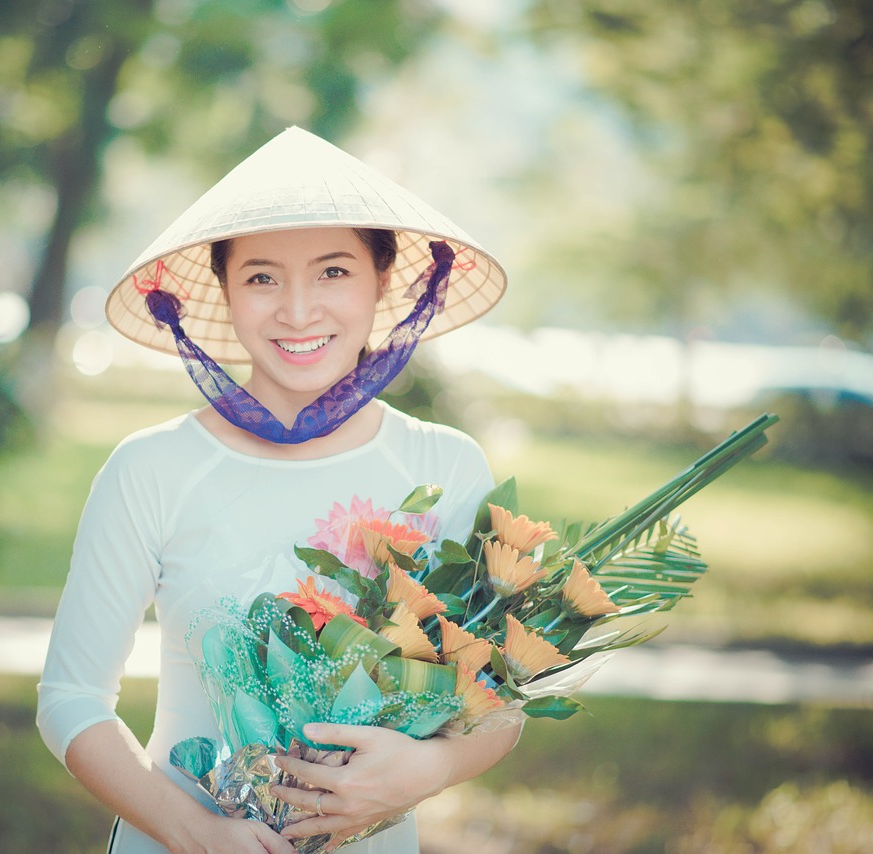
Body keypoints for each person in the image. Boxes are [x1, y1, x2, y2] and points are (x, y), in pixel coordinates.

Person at [37, 127, 515, 853]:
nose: (297, 312)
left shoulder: (442, 466)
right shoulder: (153, 468)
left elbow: (500, 704)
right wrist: (197, 834)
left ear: (382, 283)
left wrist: (427, 768)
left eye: (333, 273)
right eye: (262, 277)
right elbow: (69, 701)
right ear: (223, 293)